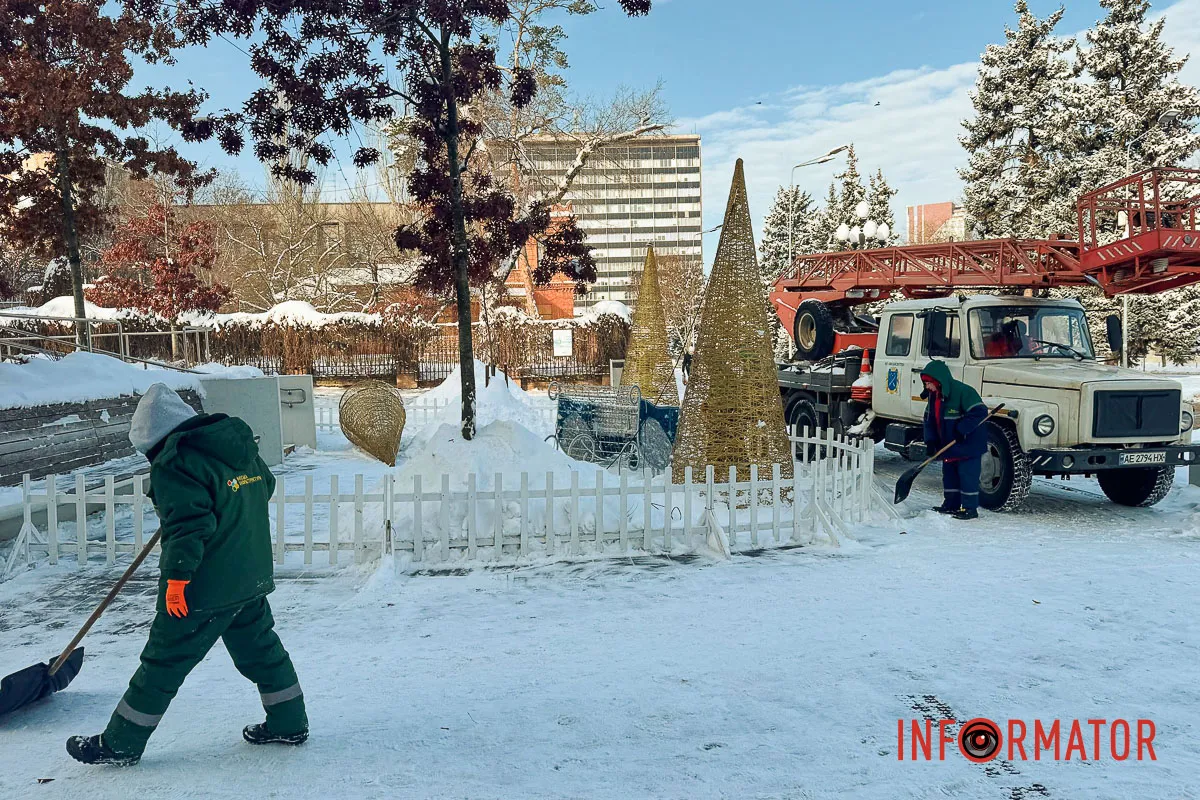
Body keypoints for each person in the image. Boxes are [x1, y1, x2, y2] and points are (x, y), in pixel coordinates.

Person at [67, 384, 308, 766]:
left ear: (155, 440)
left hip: (204, 586)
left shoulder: (176, 461)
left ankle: (121, 743)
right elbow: (266, 485)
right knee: (262, 651)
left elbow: (189, 528)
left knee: (164, 660)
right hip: (248, 574)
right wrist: (221, 508)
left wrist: (177, 582)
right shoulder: (233, 446)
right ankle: (288, 721)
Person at [920, 360, 988, 521]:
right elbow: (929, 420)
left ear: (938, 381)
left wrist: (961, 429)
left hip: (967, 445)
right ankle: (951, 504)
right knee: (949, 476)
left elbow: (979, 412)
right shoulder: (934, 397)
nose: (927, 387)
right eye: (926, 384)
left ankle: (970, 509)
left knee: (967, 477)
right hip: (949, 445)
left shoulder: (963, 392)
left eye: (929, 383)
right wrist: (930, 441)